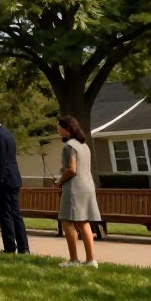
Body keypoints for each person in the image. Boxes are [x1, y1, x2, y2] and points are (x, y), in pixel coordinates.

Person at [0, 107, 30, 254]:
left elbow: (2, 161)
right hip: (10, 179)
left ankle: (11, 247)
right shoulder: (3, 133)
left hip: (5, 181)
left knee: (6, 214)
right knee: (14, 214)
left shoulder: (0, 135)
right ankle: (22, 248)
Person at [55, 115, 101, 268]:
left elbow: (72, 169)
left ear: (67, 129)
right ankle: (91, 260)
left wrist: (60, 181)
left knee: (67, 221)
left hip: (74, 188)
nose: (57, 129)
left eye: (59, 126)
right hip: (88, 186)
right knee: (84, 222)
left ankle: (73, 260)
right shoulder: (84, 145)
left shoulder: (69, 146)